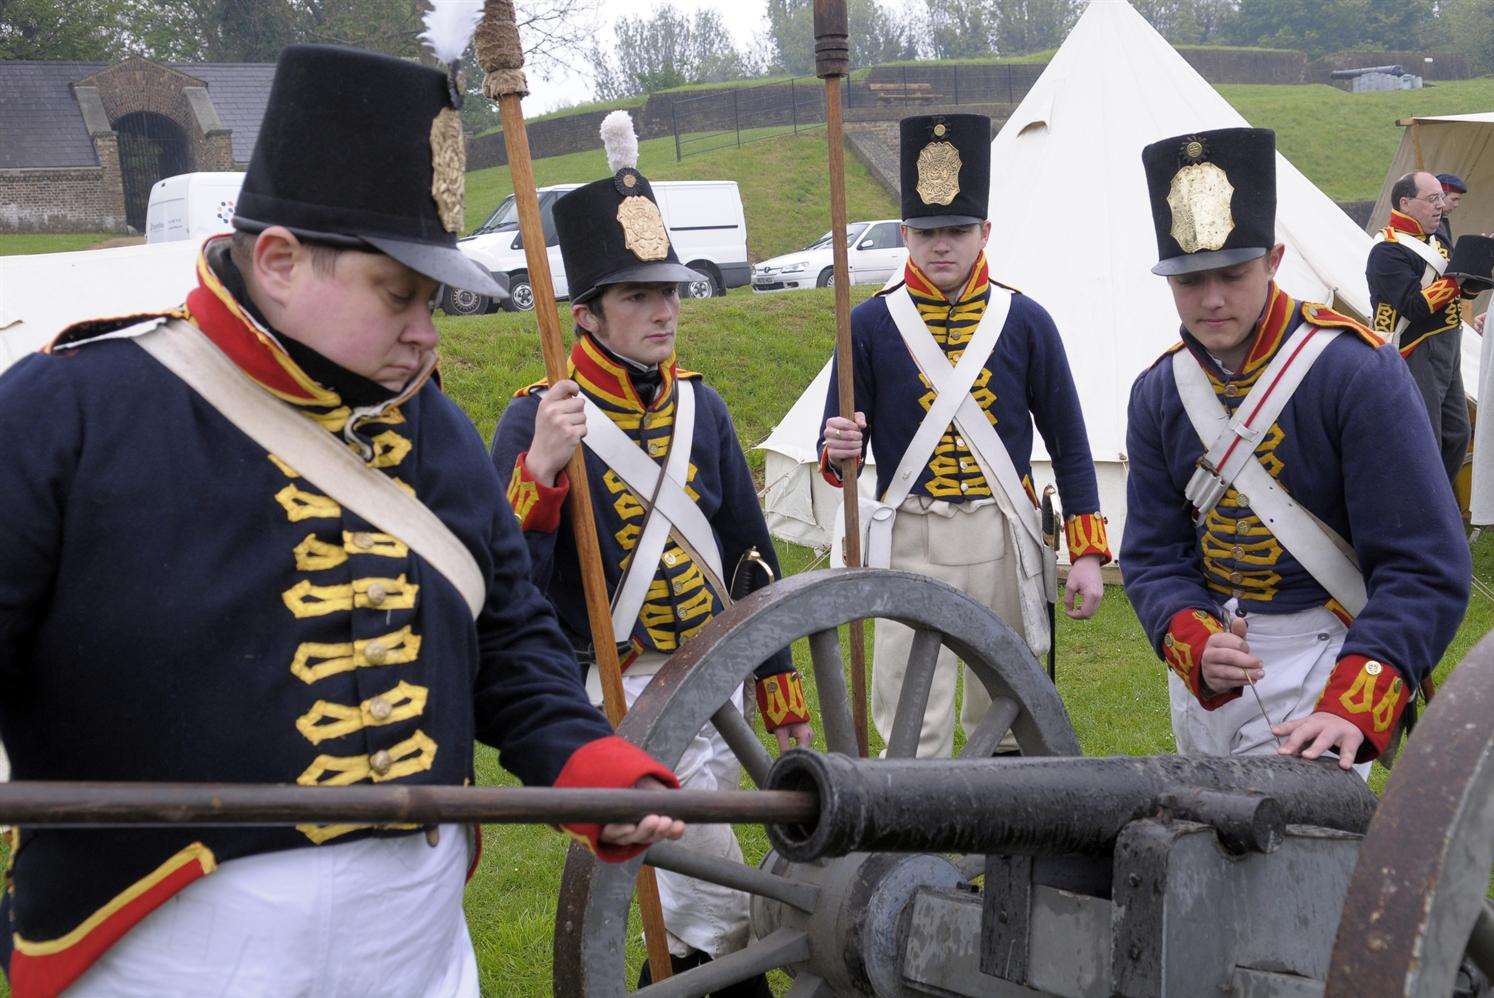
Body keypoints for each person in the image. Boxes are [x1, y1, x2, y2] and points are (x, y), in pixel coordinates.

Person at [0, 45, 684, 998]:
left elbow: (511, 640)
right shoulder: (68, 411)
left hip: (417, 940)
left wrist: (587, 759)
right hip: (160, 951)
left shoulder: (435, 429)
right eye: (399, 295)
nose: (427, 333)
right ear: (278, 260)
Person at [491, 112, 811, 993]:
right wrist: (541, 471)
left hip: (714, 677)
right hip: (615, 681)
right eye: (638, 296)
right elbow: (499, 575)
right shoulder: (536, 416)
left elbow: (750, 553)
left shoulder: (701, 410)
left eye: (667, 291)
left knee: (704, 887)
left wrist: (778, 683)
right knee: (709, 885)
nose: (664, 310)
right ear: (588, 312)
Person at [1123, 127, 1470, 774]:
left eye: (1233, 274)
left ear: (1274, 260)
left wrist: (1352, 703)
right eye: (1190, 281)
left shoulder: (1356, 374)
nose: (1213, 299)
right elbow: (1151, 557)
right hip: (1208, 674)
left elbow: (1424, 565)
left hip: (1326, 655)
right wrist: (1195, 643)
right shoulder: (1158, 394)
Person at [819, 113, 1111, 760]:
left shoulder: (1026, 321)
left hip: (999, 534)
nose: (941, 246)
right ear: (905, 234)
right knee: (909, 726)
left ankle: (1002, 858)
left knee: (1005, 714)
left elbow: (1068, 439)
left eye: (955, 230)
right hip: (911, 535)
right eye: (926, 233)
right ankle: (912, 861)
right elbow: (839, 449)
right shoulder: (868, 326)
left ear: (984, 231)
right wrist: (839, 449)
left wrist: (1087, 551)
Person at [1366, 170, 1479, 486]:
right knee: (1425, 436)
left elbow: (1456, 289)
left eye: (1441, 198)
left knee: (1457, 433)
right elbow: (1414, 306)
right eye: (1432, 199)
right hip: (1416, 348)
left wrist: (1477, 271)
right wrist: (1458, 281)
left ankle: (1437, 499)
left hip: (1448, 344)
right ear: (1405, 202)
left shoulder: (1438, 236)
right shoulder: (1386, 251)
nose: (1441, 205)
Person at [1434, 172, 1467, 247]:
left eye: (1458, 200)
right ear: (1439, 196)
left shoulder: (1443, 222)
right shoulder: (1425, 223)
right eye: (1454, 199)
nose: (1456, 205)